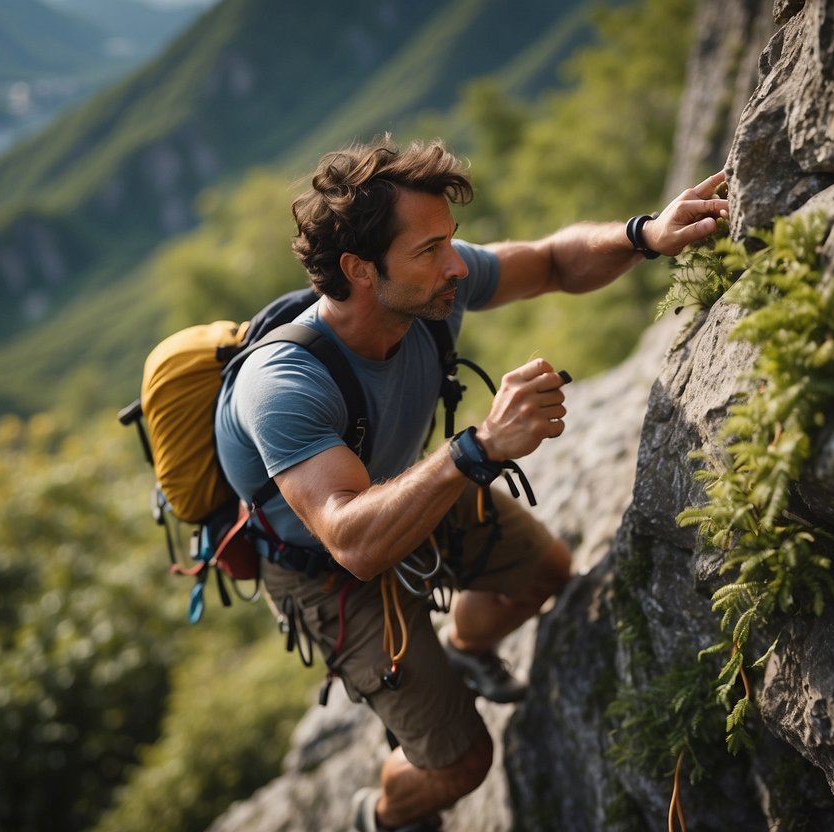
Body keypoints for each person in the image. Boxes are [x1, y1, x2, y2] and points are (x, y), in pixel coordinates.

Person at [213, 137, 728, 831]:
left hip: (401, 488)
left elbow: (548, 261)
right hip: (322, 568)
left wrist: (645, 235)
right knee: (458, 765)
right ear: (358, 269)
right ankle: (380, 816)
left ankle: (461, 649)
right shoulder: (284, 384)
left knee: (543, 573)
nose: (456, 265)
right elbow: (353, 543)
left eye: (449, 241)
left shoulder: (429, 293)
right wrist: (477, 447)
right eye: (428, 251)